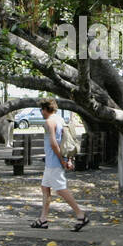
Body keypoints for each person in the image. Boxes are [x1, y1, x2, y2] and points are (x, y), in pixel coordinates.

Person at [33, 98, 89, 231]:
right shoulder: (60, 120)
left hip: (54, 161)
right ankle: (43, 220)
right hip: (52, 162)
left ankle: (81, 215)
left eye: (42, 109)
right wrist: (68, 158)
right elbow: (67, 141)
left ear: (46, 109)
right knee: (45, 188)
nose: (41, 112)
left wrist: (62, 160)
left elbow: (53, 143)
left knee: (61, 189)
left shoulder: (49, 122)